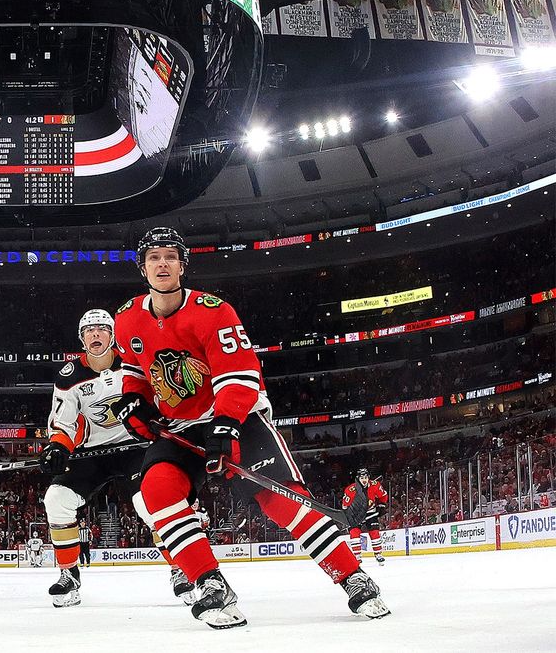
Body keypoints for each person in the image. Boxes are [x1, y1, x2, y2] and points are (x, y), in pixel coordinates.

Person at [110, 226, 390, 629]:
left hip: (239, 417)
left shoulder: (213, 310)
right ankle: (210, 584)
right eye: (154, 257)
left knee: (281, 501)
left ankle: (352, 576)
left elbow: (239, 374)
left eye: (170, 256)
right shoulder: (126, 318)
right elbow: (135, 373)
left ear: (183, 265)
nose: (162, 263)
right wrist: (135, 402)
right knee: (156, 489)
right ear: (143, 268)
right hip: (181, 428)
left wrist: (226, 425)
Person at [38, 308, 193, 608]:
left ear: (112, 335)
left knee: (151, 503)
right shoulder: (68, 377)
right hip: (92, 455)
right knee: (55, 499)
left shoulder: (133, 362)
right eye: (89, 331)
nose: (96, 335)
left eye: (101, 329)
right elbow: (63, 423)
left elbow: (159, 397)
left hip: (136, 448)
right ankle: (69, 574)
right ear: (81, 339)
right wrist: (57, 447)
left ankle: (181, 568)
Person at [343, 468, 389, 564]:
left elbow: (383, 495)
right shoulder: (350, 490)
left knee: (374, 532)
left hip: (370, 512)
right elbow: (345, 506)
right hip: (355, 514)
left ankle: (378, 554)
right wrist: (348, 515)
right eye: (361, 478)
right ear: (357, 479)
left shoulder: (375, 485)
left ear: (368, 477)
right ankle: (357, 556)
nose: (364, 480)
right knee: (354, 533)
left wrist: (382, 505)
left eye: (366, 477)